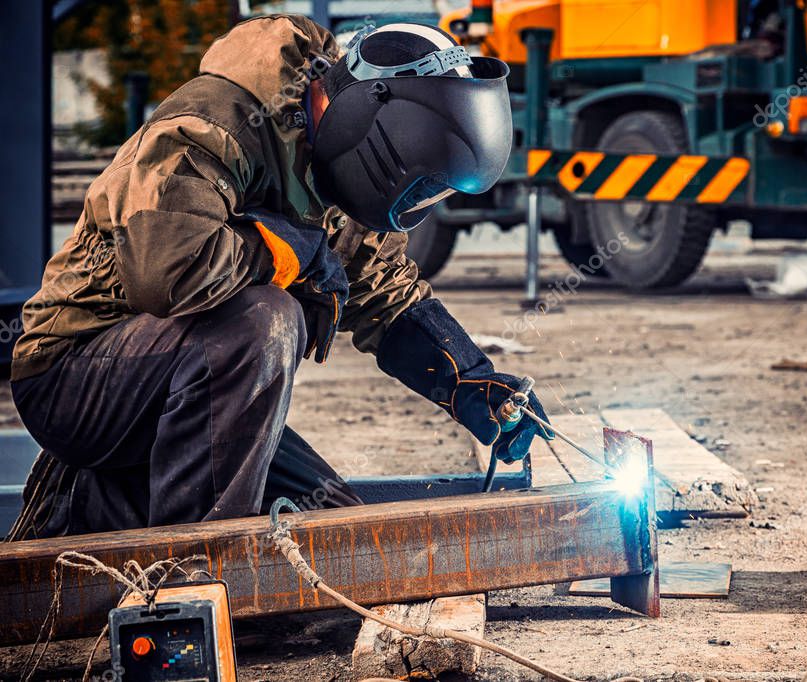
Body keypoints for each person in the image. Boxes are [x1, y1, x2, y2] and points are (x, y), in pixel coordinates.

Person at [7, 16, 552, 540]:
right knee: (266, 319)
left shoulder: (338, 168)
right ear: (375, 125)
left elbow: (386, 296)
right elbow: (165, 270)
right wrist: (281, 252)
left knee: (337, 538)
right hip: (73, 378)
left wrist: (473, 383)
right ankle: (189, 573)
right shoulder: (214, 125)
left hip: (175, 392)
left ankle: (96, 506)